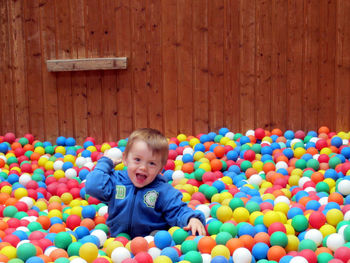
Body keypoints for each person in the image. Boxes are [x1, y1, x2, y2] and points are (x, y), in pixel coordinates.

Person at [85, 128, 206, 238]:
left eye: (152, 163)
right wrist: (105, 163)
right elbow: (92, 186)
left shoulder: (162, 190)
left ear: (160, 169)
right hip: (118, 242)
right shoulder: (117, 181)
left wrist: (192, 218)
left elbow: (177, 210)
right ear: (125, 159)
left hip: (153, 244)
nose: (143, 167)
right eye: (137, 160)